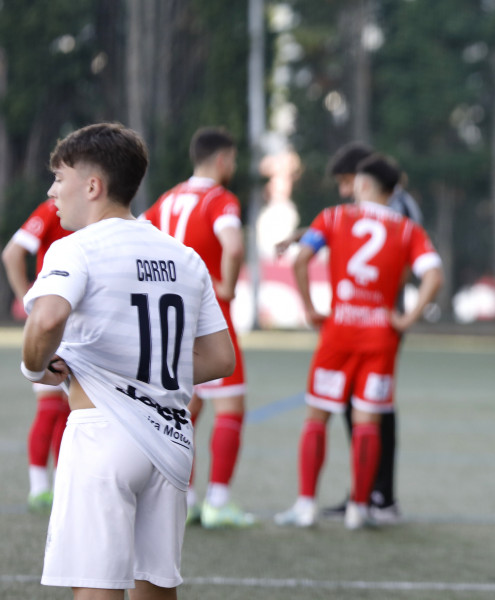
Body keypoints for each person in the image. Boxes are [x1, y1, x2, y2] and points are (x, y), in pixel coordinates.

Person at [22, 122, 234, 598]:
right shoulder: (184, 256)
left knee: (96, 587)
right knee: (155, 587)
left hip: (102, 434)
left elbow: (45, 319)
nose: (52, 190)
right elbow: (220, 358)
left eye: (59, 178)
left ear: (93, 186)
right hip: (171, 440)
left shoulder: (76, 248)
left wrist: (35, 367)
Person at [275, 153, 443, 530]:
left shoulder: (334, 217)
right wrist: (407, 318)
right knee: (368, 420)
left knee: (317, 415)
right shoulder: (406, 229)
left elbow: (301, 259)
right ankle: (360, 509)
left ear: (363, 185)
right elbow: (433, 275)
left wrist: (309, 308)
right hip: (380, 335)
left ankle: (305, 506)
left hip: (339, 331)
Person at [143, 126, 254, 528]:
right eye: (234, 160)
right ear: (222, 159)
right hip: (210, 316)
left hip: (171, 317)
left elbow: (141, 234)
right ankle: (218, 502)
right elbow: (234, 244)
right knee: (231, 408)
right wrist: (226, 285)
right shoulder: (220, 198)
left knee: (185, 408)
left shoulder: (169, 197)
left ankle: (183, 498)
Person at [3, 199, 71, 511]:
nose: (52, 189)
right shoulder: (54, 208)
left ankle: (61, 484)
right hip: (55, 322)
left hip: (79, 324)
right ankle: (40, 486)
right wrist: (29, 304)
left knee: (71, 412)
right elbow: (12, 252)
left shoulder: (95, 212)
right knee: (50, 407)